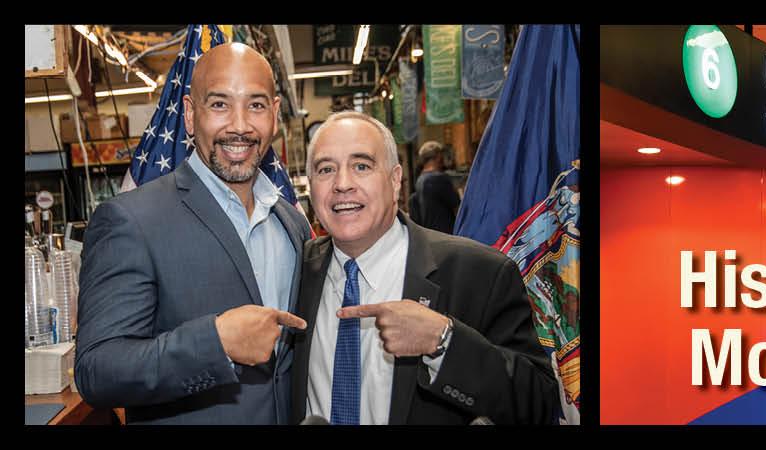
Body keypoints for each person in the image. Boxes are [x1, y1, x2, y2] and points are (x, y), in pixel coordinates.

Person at [75, 42, 310, 424]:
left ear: (275, 113)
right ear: (188, 114)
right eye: (219, 104)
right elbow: (97, 371)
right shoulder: (129, 220)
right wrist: (215, 343)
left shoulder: (292, 222)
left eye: (256, 105)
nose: (239, 125)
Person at [288, 112, 559, 425]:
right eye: (326, 170)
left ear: (395, 179)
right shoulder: (298, 270)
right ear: (311, 188)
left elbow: (539, 403)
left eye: (361, 166)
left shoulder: (480, 273)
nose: (342, 184)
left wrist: (443, 342)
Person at [409, 141, 460, 234]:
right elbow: (457, 207)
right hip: (446, 234)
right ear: (438, 157)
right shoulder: (440, 179)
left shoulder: (420, 180)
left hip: (429, 235)